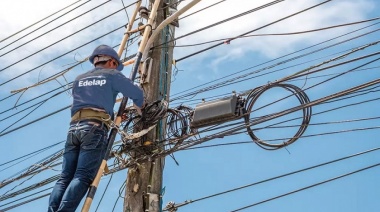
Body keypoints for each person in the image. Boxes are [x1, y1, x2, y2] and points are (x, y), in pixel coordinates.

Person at [48, 45, 144, 212]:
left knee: (65, 178)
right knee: (83, 176)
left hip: (74, 129)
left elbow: (93, 101)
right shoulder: (112, 75)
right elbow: (137, 93)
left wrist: (112, 117)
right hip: (94, 129)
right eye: (116, 65)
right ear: (112, 61)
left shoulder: (79, 79)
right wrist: (141, 108)